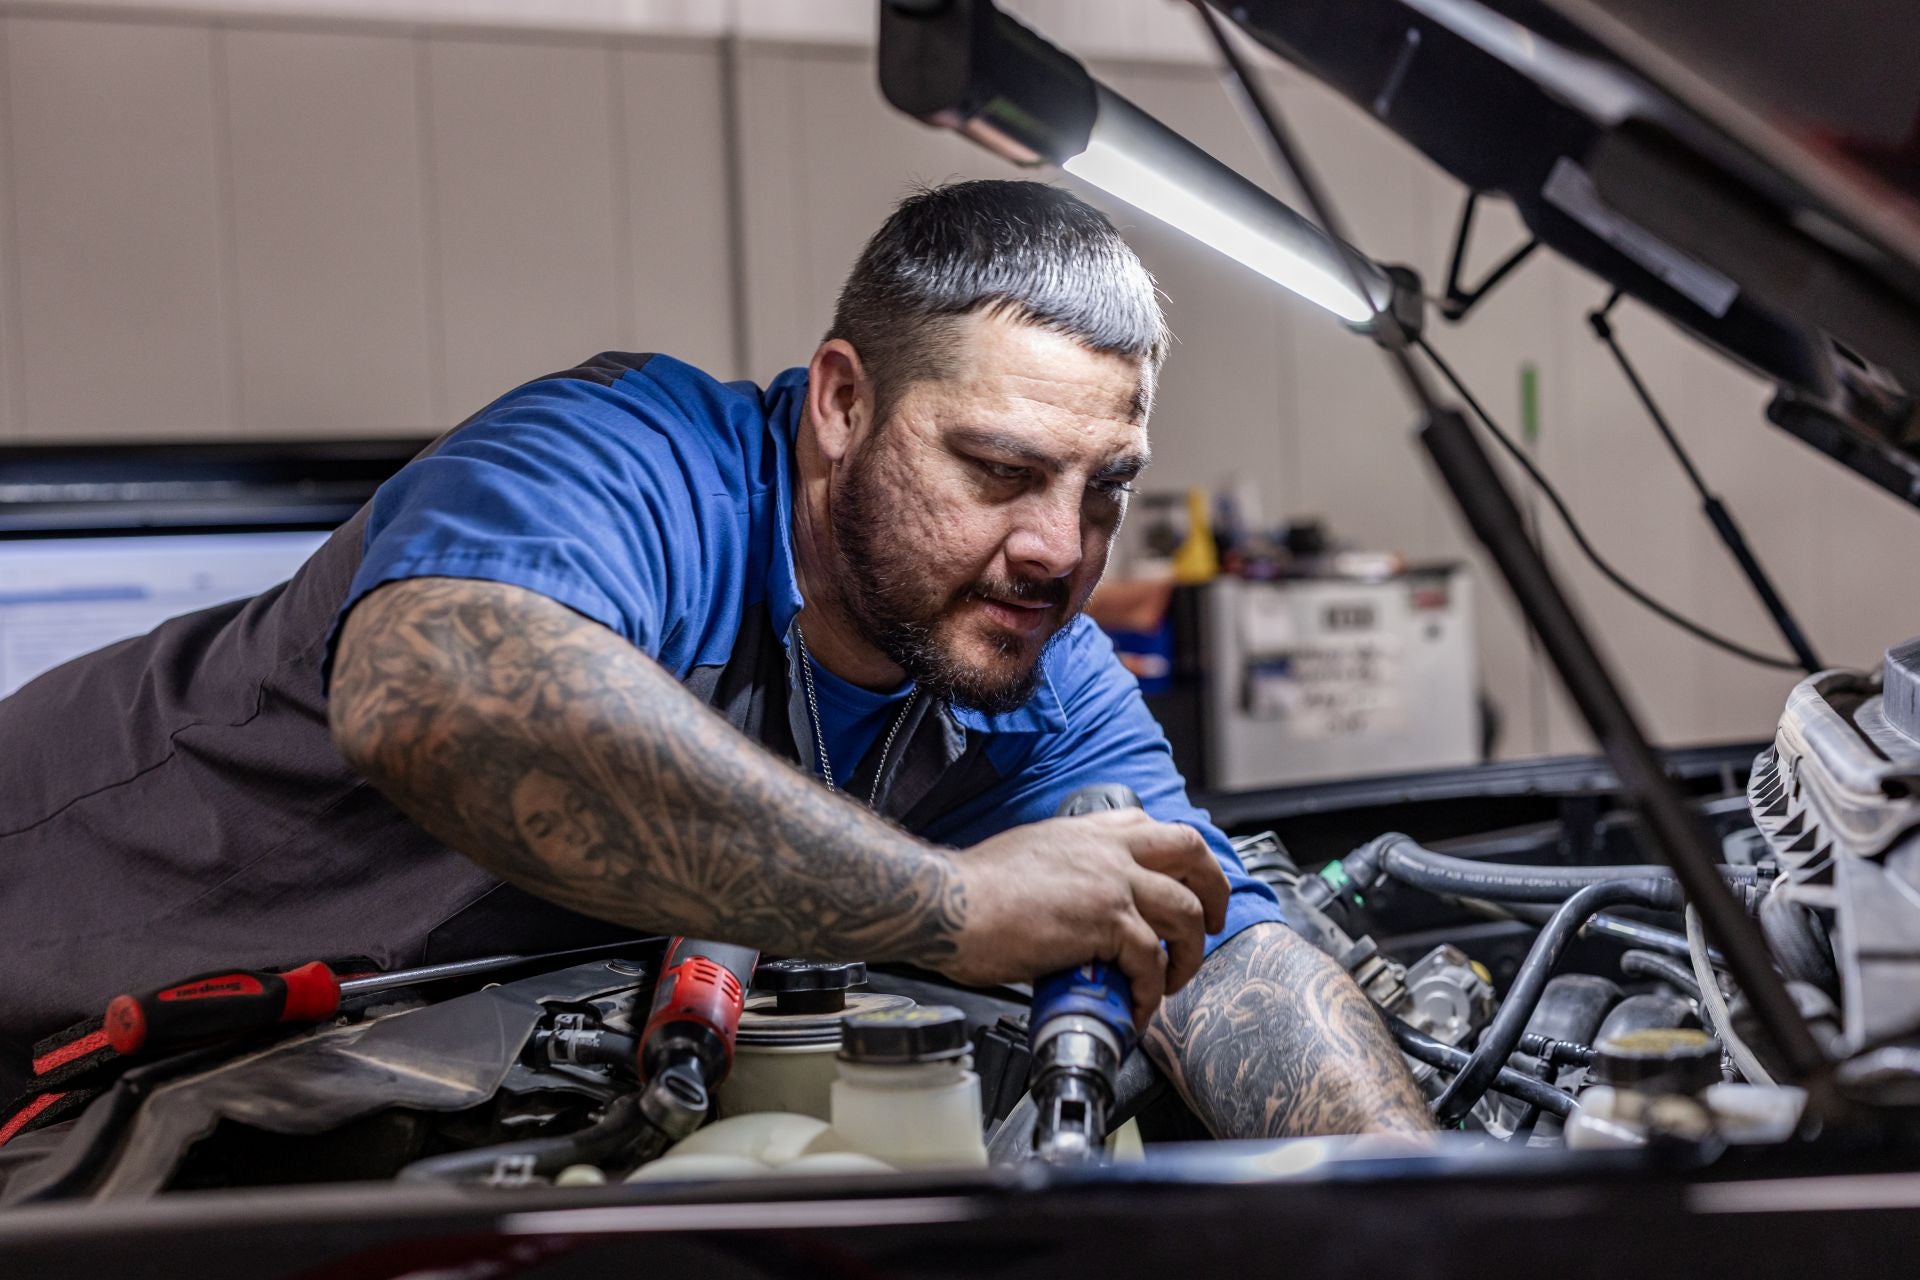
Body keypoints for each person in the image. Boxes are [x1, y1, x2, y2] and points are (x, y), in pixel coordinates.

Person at [0, 180, 1428, 1137]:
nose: (1061, 548)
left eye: (1104, 486)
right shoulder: (631, 464)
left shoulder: (1022, 664)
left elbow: (1225, 955)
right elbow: (433, 693)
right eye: (999, 469)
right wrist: (944, 904)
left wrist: (1422, 1212)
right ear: (840, 404)